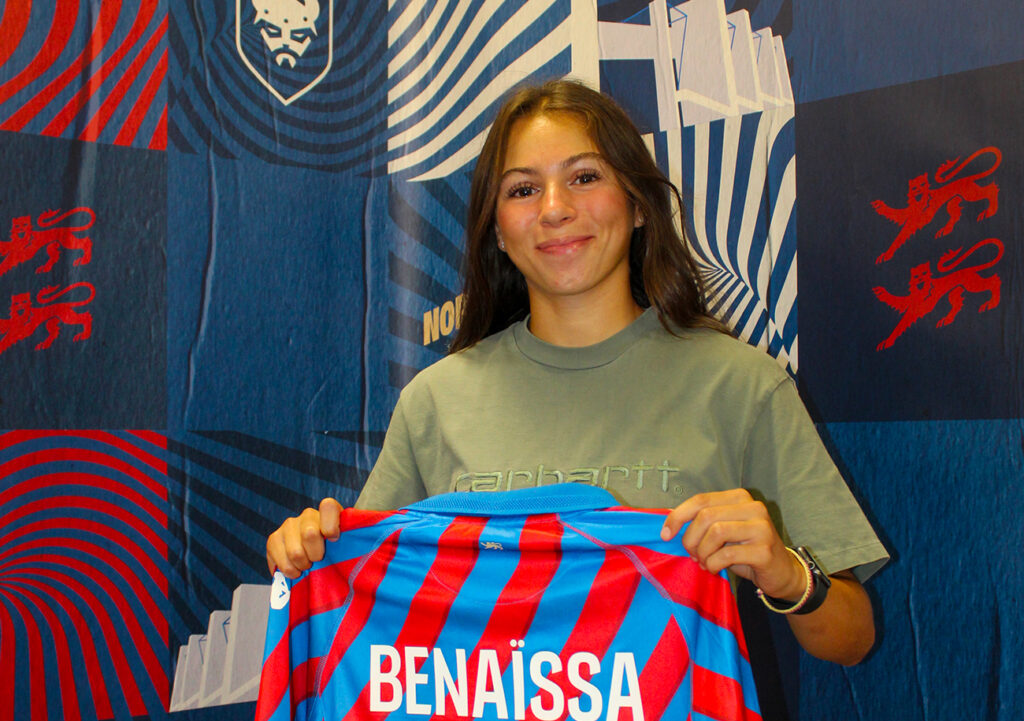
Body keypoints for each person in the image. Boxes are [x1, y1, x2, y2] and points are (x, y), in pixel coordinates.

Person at [266, 79, 888, 667]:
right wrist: (308, 552)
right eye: (522, 189)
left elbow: (853, 638)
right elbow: (363, 598)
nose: (555, 209)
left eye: (584, 177)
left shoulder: (743, 385)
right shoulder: (436, 400)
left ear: (639, 206)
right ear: (498, 233)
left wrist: (785, 573)